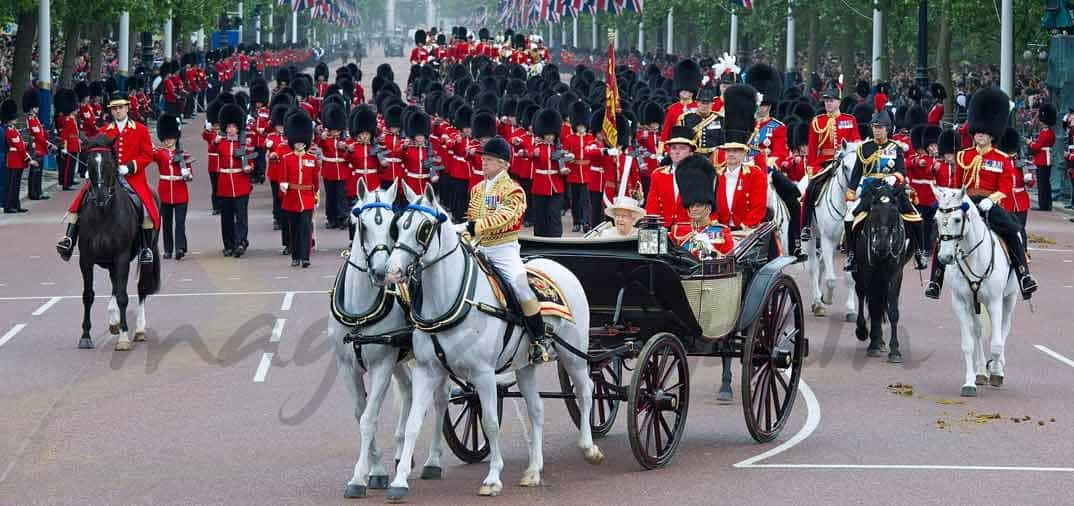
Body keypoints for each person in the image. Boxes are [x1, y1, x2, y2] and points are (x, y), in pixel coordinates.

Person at [927, 88, 1037, 300]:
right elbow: (957, 184)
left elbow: (1005, 189)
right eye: (978, 132)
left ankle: (1024, 277)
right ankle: (936, 281)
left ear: (991, 135)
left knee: (1013, 233)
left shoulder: (1002, 159)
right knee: (944, 233)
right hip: (966, 203)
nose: (980, 136)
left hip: (990, 204)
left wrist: (990, 201)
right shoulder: (963, 156)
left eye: (984, 133)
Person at [461, 135, 552, 364]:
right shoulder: (478, 189)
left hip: (503, 251)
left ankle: (539, 340)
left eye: (490, 160)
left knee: (523, 290)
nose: (484, 163)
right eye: (484, 159)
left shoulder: (514, 190)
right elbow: (472, 215)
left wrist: (475, 227)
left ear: (504, 164)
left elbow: (506, 218)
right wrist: (465, 233)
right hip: (479, 247)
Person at [58, 92, 159, 262]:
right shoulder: (104, 131)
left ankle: (146, 248)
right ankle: (69, 239)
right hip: (106, 177)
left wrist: (130, 166)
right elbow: (94, 151)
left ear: (127, 108)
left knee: (146, 208)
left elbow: (147, 155)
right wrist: (91, 169)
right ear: (111, 111)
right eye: (115, 109)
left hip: (132, 177)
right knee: (80, 201)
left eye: (121, 108)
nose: (118, 111)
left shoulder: (140, 130)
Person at [843, 109, 927, 272]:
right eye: (875, 127)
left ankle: (919, 252)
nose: (877, 130)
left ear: (887, 129)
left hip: (892, 190)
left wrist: (894, 177)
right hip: (871, 190)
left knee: (916, 218)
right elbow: (856, 174)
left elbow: (902, 171)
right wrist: (851, 194)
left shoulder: (896, 148)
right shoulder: (864, 148)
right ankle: (852, 255)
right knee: (849, 219)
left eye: (880, 127)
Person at [800, 87, 862, 242]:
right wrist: (812, 169)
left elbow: (856, 143)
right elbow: (813, 149)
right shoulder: (817, 121)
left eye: (831, 101)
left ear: (838, 102)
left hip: (844, 163)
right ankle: (806, 226)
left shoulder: (849, 120)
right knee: (810, 190)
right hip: (823, 165)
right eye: (826, 101)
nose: (828, 104)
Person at [714, 85, 769, 231]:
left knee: (790, 196)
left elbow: (761, 181)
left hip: (746, 225)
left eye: (736, 151)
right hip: (722, 227)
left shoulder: (755, 151)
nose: (731, 154)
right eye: (729, 151)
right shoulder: (718, 155)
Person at [670, 154, 735, 257]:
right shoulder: (677, 230)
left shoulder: (721, 232)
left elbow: (727, 260)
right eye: (691, 205)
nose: (694, 209)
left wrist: (710, 250)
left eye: (699, 205)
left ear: (709, 208)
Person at [213, 103, 254, 257]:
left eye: (233, 127)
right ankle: (228, 244)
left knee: (241, 216)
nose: (230, 130)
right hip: (224, 184)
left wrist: (249, 167)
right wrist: (215, 141)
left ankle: (240, 242)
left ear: (238, 128)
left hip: (240, 183)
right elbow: (212, 149)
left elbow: (250, 160)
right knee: (227, 217)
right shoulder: (220, 143)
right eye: (228, 127)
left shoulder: (244, 143)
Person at [281, 110, 319, 268]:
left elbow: (315, 180)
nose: (299, 144)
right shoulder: (287, 159)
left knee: (305, 228)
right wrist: (283, 186)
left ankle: (305, 257)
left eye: (301, 142)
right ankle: (295, 256)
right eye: (296, 142)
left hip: (307, 197)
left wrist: (315, 195)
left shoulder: (312, 159)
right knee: (294, 229)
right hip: (291, 197)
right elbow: (283, 177)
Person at [153, 113, 193, 260]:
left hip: (180, 191)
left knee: (180, 223)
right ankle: (168, 249)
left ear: (176, 137)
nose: (168, 141)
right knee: (167, 223)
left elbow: (190, 175)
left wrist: (186, 173)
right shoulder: (160, 153)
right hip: (164, 192)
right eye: (166, 138)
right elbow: (149, 155)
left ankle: (180, 248)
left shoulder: (184, 154)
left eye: (171, 138)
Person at [645, 125, 696, 228]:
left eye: (682, 148)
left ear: (691, 153)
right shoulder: (658, 174)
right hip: (663, 227)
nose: (677, 152)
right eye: (674, 148)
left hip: (689, 229)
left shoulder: (699, 175)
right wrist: (653, 227)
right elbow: (652, 205)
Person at [529, 108, 568, 237]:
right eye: (547, 134)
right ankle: (540, 238)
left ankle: (556, 238)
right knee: (540, 214)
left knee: (554, 214)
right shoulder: (537, 147)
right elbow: (527, 155)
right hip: (540, 185)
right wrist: (533, 154)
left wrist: (565, 169)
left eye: (552, 134)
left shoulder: (559, 148)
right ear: (543, 133)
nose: (550, 137)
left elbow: (564, 162)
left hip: (556, 185)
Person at [660, 59, 702, 151]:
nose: (685, 92)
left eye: (688, 90)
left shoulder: (699, 107)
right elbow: (665, 134)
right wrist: (662, 151)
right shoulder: (672, 109)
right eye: (683, 90)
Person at [2, 98, 32, 213]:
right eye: (14, 118)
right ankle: (9, 206)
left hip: (18, 160)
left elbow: (20, 144)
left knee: (16, 184)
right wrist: (28, 159)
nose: (16, 119)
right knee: (12, 185)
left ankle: (16, 204)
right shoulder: (9, 131)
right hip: (14, 160)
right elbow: (18, 146)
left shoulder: (13, 130)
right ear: (9, 119)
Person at [1027, 103, 1056, 211]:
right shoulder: (1050, 132)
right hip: (1045, 158)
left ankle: (1043, 205)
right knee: (1046, 183)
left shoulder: (1045, 133)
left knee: (1042, 184)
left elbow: (1038, 146)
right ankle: (1047, 204)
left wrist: (1030, 143)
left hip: (1043, 159)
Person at [21, 89, 49, 200]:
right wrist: (48, 144)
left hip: (39, 148)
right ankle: (33, 193)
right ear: (32, 107)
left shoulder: (35, 119)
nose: (38, 108)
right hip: (36, 149)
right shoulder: (30, 119)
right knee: (35, 172)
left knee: (38, 172)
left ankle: (38, 191)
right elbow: (37, 135)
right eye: (36, 106)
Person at [54, 88, 81, 191]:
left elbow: (74, 133)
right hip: (69, 145)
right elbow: (65, 135)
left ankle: (69, 180)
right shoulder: (68, 120)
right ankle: (66, 183)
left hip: (74, 144)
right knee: (68, 166)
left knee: (71, 165)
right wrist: (65, 147)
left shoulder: (71, 119)